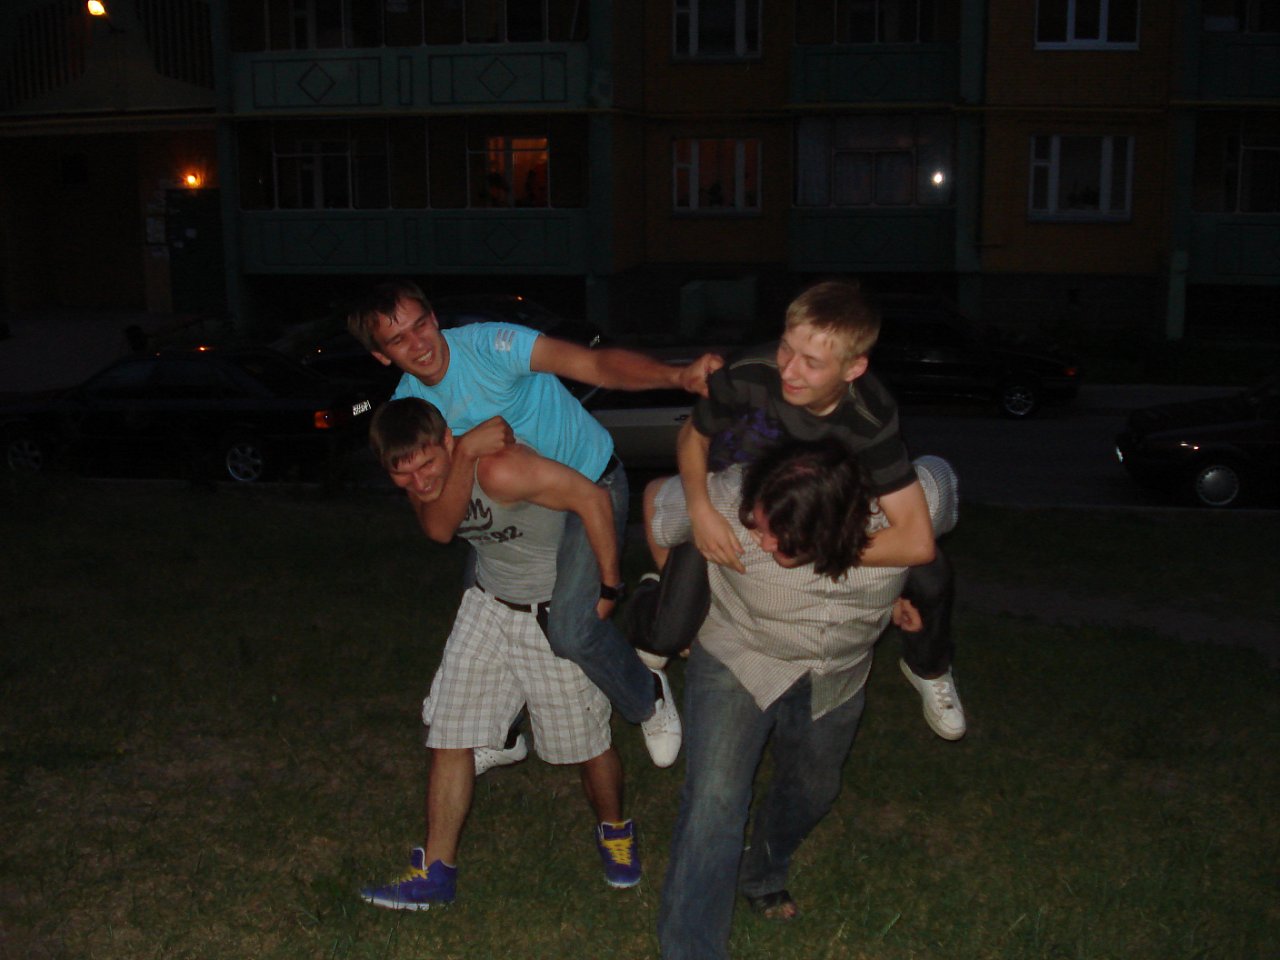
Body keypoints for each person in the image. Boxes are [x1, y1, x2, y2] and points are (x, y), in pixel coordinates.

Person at [347, 280, 723, 767]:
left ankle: (646, 694)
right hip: (516, 511)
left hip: (588, 484)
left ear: (434, 317)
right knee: (484, 615)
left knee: (570, 631)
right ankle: (501, 733)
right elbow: (435, 521)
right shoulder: (410, 409)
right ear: (381, 355)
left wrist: (677, 376)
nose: (419, 344)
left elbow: (594, 365)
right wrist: (465, 451)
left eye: (421, 325)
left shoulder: (491, 346)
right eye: (399, 340)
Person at [652, 439, 959, 959]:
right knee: (715, 800)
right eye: (758, 526)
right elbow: (657, 506)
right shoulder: (726, 497)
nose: (763, 542)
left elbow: (942, 475)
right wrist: (678, 591)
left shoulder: (906, 503)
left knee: (813, 790)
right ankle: (691, 949)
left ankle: (763, 873)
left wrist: (900, 591)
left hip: (838, 671)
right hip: (739, 657)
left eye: (782, 538)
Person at [631, 279, 965, 740]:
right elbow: (692, 436)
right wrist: (701, 510)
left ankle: (929, 667)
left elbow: (916, 540)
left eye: (812, 362)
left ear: (853, 368)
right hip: (737, 506)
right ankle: (652, 611)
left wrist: (810, 549)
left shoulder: (869, 416)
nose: (788, 369)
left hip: (820, 517)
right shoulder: (750, 372)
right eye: (787, 347)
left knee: (930, 577)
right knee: (668, 634)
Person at [360, 398, 643, 910]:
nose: (420, 482)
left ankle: (615, 830)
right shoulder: (430, 479)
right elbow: (438, 529)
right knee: (449, 730)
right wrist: (455, 463)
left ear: (448, 441)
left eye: (428, 465)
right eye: (403, 474)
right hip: (488, 606)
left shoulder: (503, 469)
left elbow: (594, 498)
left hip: (548, 612)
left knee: (586, 745)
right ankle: (436, 873)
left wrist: (608, 587)